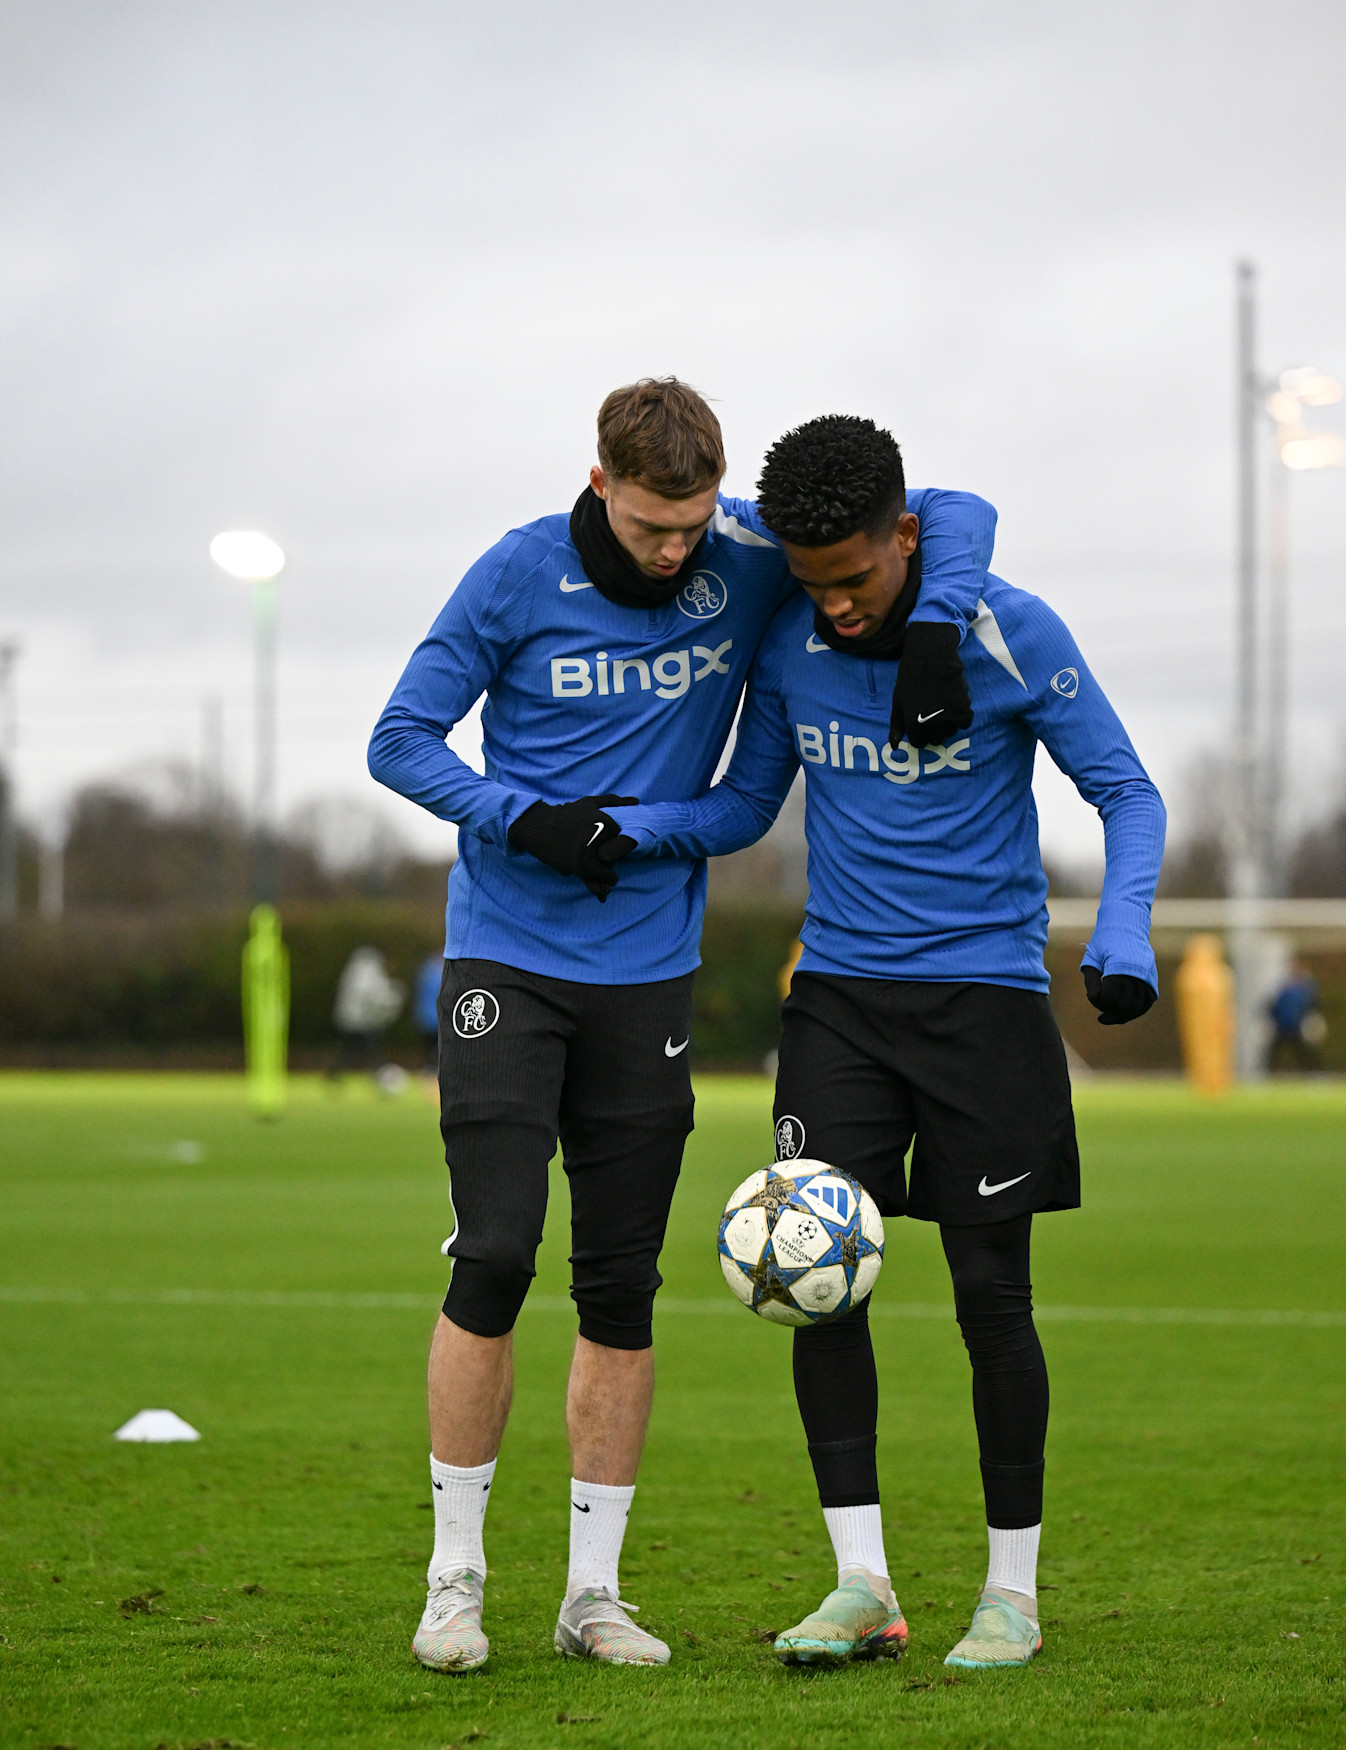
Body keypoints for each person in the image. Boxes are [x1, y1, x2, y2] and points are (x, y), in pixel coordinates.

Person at [367, 380, 1000, 1671]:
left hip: (647, 971)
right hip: (506, 952)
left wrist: (931, 628)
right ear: (600, 484)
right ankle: (455, 1581)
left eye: (694, 524)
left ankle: (591, 1594)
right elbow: (398, 739)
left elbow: (952, 511)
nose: (677, 550)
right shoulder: (513, 574)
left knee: (619, 1281)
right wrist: (515, 813)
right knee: (491, 1252)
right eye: (656, 526)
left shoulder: (747, 551)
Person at [601, 415, 1166, 1672]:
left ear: (905, 537)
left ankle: (1008, 1594)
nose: (833, 607)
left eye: (854, 579)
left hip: (984, 1005)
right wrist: (617, 828)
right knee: (815, 1285)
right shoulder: (791, 633)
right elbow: (750, 802)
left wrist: (1118, 935)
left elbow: (1125, 789)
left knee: (990, 1301)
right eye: (812, 587)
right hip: (841, 1001)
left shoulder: (1008, 629)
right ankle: (860, 1582)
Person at [329, 945, 405, 1078]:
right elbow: (372, 994)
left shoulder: (355, 969)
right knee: (369, 1049)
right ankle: (379, 1074)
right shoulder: (368, 970)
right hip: (361, 1021)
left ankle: (335, 1075)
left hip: (352, 1019)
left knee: (350, 1050)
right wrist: (393, 994)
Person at [1267, 958, 1324, 1073]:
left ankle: (1312, 1071)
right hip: (1283, 1024)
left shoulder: (1307, 987)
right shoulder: (1285, 986)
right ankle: (1270, 1072)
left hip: (1297, 1025)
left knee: (1303, 1052)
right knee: (1276, 1051)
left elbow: (1312, 1005)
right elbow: (1277, 1004)